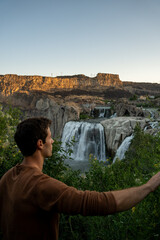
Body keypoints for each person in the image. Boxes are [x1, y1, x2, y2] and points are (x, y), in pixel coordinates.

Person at [0, 117, 160, 240]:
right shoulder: (42, 186)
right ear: (40, 144)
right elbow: (99, 203)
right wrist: (149, 186)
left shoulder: (7, 178)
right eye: (50, 137)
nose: (53, 141)